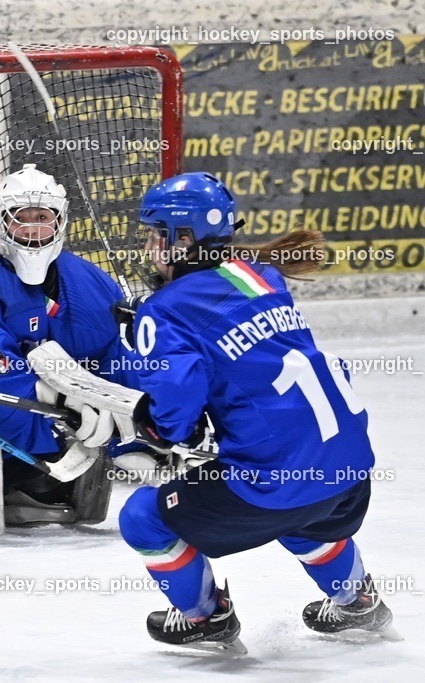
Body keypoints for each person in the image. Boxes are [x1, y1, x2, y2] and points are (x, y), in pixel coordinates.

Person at [69, 172, 396, 651]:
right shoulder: (264, 275)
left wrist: (139, 400)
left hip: (274, 486)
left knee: (143, 516)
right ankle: (356, 601)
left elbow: (171, 424)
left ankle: (204, 617)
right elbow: (233, 339)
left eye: (156, 233)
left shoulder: (166, 311)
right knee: (303, 511)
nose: (149, 244)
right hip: (349, 473)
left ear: (182, 240)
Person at [0, 164, 142, 525]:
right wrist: (60, 412)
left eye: (43, 217)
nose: (34, 228)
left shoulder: (92, 287)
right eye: (21, 218)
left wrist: (146, 426)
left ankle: (37, 474)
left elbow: (114, 361)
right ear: (1, 223)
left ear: (60, 222)